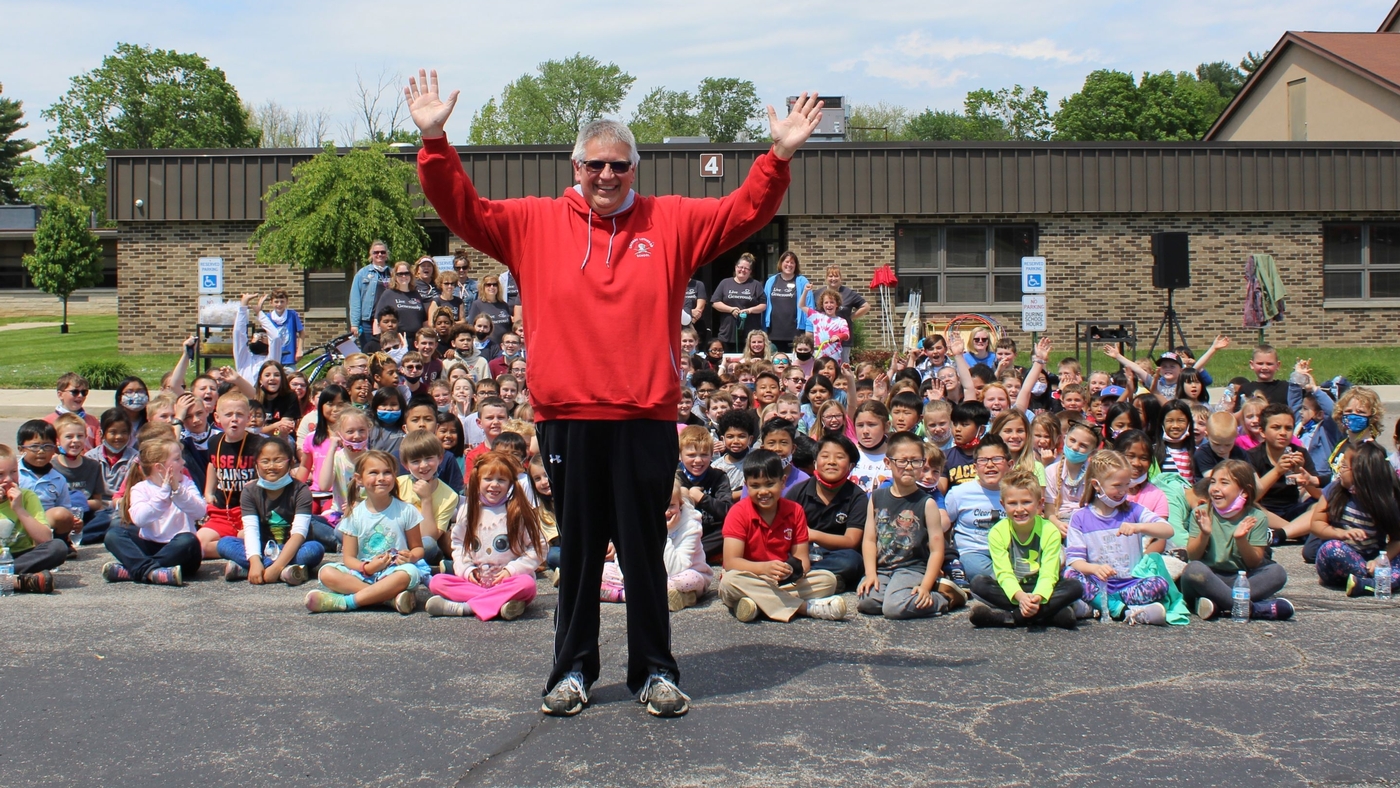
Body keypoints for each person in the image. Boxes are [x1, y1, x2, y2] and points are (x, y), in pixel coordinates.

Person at [411, 68, 824, 717]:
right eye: (595, 166)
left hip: (644, 415)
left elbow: (745, 210)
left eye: (620, 167)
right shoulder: (534, 224)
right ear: (574, 166)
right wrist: (435, 142)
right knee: (578, 552)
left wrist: (778, 156)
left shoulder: (673, 222)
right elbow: (463, 210)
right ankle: (572, 669)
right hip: (567, 417)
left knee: (641, 550)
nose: (607, 177)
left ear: (636, 168)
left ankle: (654, 670)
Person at [719, 449, 848, 624]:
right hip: (749, 576)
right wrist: (764, 569)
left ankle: (757, 604)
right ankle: (805, 608)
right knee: (729, 581)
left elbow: (803, 561)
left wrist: (789, 570)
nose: (763, 492)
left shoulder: (795, 511)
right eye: (755, 486)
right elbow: (731, 562)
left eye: (770, 484)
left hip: (782, 580)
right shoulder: (738, 512)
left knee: (827, 580)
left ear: (783, 482)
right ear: (746, 485)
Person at [856, 431, 966, 619]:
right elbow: (869, 539)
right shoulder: (876, 497)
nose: (908, 467)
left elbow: (937, 549)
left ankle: (944, 597)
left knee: (894, 608)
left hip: (912, 568)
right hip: (883, 568)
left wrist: (924, 586)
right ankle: (898, 593)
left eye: (915, 461)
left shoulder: (927, 503)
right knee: (867, 601)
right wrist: (870, 573)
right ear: (888, 463)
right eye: (902, 460)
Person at [306, 450, 429, 615]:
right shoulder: (354, 514)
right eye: (373, 473)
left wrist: (411, 557)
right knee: (326, 572)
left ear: (394, 476)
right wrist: (368, 567)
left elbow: (418, 549)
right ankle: (387, 599)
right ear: (359, 479)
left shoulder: (406, 510)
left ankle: (347, 602)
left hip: (394, 572)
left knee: (409, 573)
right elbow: (349, 558)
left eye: (387, 472)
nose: (381, 478)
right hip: (364, 572)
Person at [425, 451, 543, 620]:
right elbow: (458, 544)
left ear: (510, 483)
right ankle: (500, 603)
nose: (494, 485)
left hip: (507, 581)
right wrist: (466, 570)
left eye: (501, 480)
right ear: (477, 480)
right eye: (488, 479)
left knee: (527, 585)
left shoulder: (517, 511)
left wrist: (512, 570)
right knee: (437, 582)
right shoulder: (468, 509)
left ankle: (465, 607)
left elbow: (537, 548)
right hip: (476, 581)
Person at [1062, 451, 1174, 625]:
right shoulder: (1080, 517)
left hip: (1128, 585)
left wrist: (1139, 527)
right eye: (1117, 485)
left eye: (1126, 485)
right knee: (1070, 575)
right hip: (1097, 583)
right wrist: (1094, 569)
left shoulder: (1133, 510)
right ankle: (1122, 610)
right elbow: (1075, 561)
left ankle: (1096, 607)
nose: (1123, 491)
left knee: (1160, 584)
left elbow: (1167, 530)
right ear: (1096, 485)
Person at [1179, 460, 1293, 621]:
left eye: (1224, 483)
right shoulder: (1201, 513)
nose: (1215, 488)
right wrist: (1204, 534)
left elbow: (1254, 563)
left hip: (1240, 579)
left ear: (1244, 492)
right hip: (1209, 577)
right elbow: (1193, 556)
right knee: (1194, 570)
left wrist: (1241, 540)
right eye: (1212, 482)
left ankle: (1219, 603)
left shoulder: (1256, 517)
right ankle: (1253, 609)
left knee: (1277, 573)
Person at [968, 468, 1082, 628]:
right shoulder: (997, 532)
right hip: (1013, 588)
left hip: (1041, 588)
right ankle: (1048, 615)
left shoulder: (1050, 531)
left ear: (1040, 503)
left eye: (1026, 502)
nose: (1019, 509)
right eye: (1012, 503)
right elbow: (1004, 573)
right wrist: (1021, 597)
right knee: (978, 583)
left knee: (1075, 587)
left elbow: (1049, 574)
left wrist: (1037, 597)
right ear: (1003, 504)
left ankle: (1011, 617)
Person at [218, 436, 323, 585]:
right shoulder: (249, 491)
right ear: (256, 464)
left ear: (290, 463)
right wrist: (254, 561)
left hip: (293, 548)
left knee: (314, 549)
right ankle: (285, 572)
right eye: (265, 461)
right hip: (263, 547)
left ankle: (250, 569)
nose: (271, 466)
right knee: (224, 544)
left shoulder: (301, 490)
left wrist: (277, 567)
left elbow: (299, 534)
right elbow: (251, 530)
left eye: (278, 460)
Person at [101, 438, 204, 586]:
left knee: (189, 540)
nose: (183, 462)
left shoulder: (186, 484)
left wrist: (177, 491)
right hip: (150, 545)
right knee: (113, 535)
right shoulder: (140, 488)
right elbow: (140, 520)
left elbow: (200, 512)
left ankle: (135, 570)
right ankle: (152, 572)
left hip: (180, 552)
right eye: (177, 459)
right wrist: (163, 494)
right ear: (160, 467)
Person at [1309, 442, 1400, 595]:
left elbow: (1397, 540)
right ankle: (1377, 582)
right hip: (1338, 563)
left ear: (1360, 472)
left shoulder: (1387, 499)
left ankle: (1366, 584)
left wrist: (1379, 561)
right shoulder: (1335, 490)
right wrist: (1341, 534)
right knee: (1331, 548)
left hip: (1372, 557)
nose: (1340, 471)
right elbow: (1316, 524)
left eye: (1344, 467)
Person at [786, 432, 867, 592]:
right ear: (815, 463)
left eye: (839, 457)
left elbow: (851, 541)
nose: (831, 462)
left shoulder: (857, 497)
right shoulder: (798, 491)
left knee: (853, 561)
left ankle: (803, 579)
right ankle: (826, 582)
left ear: (851, 465)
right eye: (825, 456)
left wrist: (811, 534)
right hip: (802, 552)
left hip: (835, 555)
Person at [1248, 403, 1322, 545]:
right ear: (1262, 432)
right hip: (1265, 511)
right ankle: (1297, 530)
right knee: (1248, 506)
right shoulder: (1252, 456)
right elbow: (1253, 495)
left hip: (1292, 509)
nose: (1283, 433)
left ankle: (1283, 533)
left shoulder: (1299, 453)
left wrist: (1303, 474)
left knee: (1323, 505)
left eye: (1288, 428)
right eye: (1276, 427)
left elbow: (1318, 494)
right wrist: (1277, 471)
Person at [942, 435, 1011, 581]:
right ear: (975, 467)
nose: (990, 465)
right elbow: (944, 527)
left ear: (1010, 465)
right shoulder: (959, 493)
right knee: (978, 571)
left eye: (997, 459)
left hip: (1009, 551)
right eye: (983, 460)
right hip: (973, 551)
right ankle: (1010, 584)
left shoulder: (1016, 492)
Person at [0, 444, 64, 592]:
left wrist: (19, 509)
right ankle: (19, 582)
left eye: (13, 472)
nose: (8, 479)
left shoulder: (28, 497)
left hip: (22, 557)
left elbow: (45, 539)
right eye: (0, 474)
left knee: (57, 547)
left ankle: (5, 578)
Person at [396, 430, 457, 567]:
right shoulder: (397, 485)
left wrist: (426, 499)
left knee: (428, 544)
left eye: (429, 458)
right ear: (406, 465)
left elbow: (430, 536)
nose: (423, 465)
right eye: (416, 461)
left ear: (440, 459)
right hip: (396, 538)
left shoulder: (449, 495)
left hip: (423, 545)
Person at [16, 420, 79, 549]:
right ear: (21, 449)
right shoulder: (14, 472)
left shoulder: (58, 478)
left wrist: (74, 521)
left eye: (47, 446)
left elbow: (65, 508)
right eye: (34, 446)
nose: (41, 451)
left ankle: (60, 544)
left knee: (63, 514)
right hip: (19, 520)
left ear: (54, 449)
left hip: (45, 523)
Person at [51, 413, 110, 547]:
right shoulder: (51, 467)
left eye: (80, 436)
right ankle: (63, 536)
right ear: (58, 440)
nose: (75, 440)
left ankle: (75, 536)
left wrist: (80, 504)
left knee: (108, 517)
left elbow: (98, 502)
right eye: (69, 436)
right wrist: (67, 507)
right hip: (61, 516)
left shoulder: (93, 465)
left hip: (85, 515)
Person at [676, 425, 732, 560]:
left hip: (709, 534)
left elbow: (728, 511)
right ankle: (688, 555)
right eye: (691, 455)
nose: (698, 460)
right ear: (680, 456)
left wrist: (702, 498)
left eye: (704, 455)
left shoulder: (719, 477)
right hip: (681, 532)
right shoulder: (675, 479)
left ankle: (689, 557)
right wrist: (683, 499)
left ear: (712, 454)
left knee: (729, 529)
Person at [660, 480, 712, 611]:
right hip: (656, 575)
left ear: (680, 504)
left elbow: (676, 568)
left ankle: (642, 592)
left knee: (688, 579)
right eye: (660, 506)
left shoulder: (691, 526)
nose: (666, 512)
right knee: (607, 571)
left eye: (671, 505)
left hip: (686, 573)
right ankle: (683, 598)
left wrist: (663, 534)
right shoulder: (645, 520)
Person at [712, 253, 766, 352]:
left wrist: (750, 310)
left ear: (750, 271)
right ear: (735, 267)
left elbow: (763, 305)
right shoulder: (725, 283)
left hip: (750, 333)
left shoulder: (756, 285)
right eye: (740, 267)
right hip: (728, 331)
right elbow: (715, 302)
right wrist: (731, 309)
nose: (742, 270)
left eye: (746, 268)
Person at [762, 250, 813, 353]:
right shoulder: (771, 281)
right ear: (781, 263)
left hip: (796, 333)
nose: (789, 265)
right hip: (774, 333)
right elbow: (765, 306)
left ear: (796, 265)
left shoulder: (802, 281)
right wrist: (764, 330)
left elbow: (809, 307)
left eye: (792, 262)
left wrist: (809, 330)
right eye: (787, 262)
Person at [44, 372, 101, 452]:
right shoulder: (48, 422)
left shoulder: (93, 422)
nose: (80, 395)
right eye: (75, 392)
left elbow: (100, 449)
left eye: (84, 392)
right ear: (60, 395)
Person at [373, 261, 428, 341]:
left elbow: (424, 320)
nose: (404, 276)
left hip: (416, 340)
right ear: (395, 276)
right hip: (396, 339)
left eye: (406, 273)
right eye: (400, 274)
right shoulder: (388, 294)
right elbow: (377, 319)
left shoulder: (416, 294)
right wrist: (377, 340)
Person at [350, 240, 393, 342]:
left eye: (382, 252)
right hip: (368, 321)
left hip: (388, 320)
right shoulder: (362, 274)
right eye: (376, 252)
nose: (379, 254)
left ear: (386, 255)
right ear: (371, 255)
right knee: (369, 352)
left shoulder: (392, 273)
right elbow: (355, 300)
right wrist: (354, 324)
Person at [466, 275, 513, 344]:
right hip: (487, 345)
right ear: (483, 287)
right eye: (488, 285)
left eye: (495, 285)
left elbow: (509, 326)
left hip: (504, 346)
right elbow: (471, 326)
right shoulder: (477, 304)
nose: (492, 287)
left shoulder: (504, 305)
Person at [265, 288, 305, 366]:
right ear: (271, 303)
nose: (279, 304)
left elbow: (301, 332)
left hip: (289, 357)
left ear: (287, 302)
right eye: (276, 302)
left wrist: (299, 349)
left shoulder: (292, 315)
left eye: (282, 301)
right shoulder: (268, 317)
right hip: (273, 358)